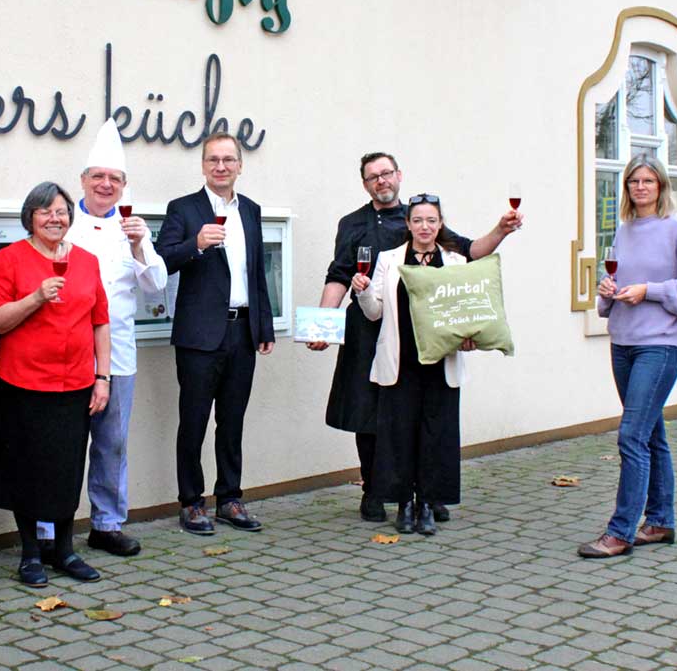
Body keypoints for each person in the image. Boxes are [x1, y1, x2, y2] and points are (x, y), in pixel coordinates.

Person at [37, 120, 168, 559]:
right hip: (66, 354)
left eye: (114, 179)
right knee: (62, 441)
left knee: (111, 441)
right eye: (98, 177)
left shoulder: (134, 229)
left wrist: (140, 247)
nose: (105, 185)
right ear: (83, 182)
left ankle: (107, 523)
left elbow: (157, 287)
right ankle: (50, 526)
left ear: (124, 185)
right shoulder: (63, 226)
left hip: (120, 354)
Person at [353, 193, 520, 536]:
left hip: (441, 363)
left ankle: (427, 503)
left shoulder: (455, 262)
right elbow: (375, 312)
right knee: (399, 435)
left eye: (431, 220)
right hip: (401, 362)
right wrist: (363, 290)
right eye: (417, 220)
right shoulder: (389, 259)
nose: (424, 227)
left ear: (440, 223)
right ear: (408, 224)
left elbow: (465, 311)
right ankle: (404, 504)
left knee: (435, 435)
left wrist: (469, 338)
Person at [307, 152, 454, 522]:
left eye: (386, 173)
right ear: (365, 184)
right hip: (365, 329)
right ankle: (373, 491)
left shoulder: (419, 220)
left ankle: (427, 494)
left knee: (420, 413)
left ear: (399, 176)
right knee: (367, 413)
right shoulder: (351, 223)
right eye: (373, 177)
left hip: (415, 331)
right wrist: (324, 324)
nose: (381, 181)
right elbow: (339, 274)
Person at [578, 156, 677, 558]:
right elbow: (617, 285)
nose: (640, 187)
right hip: (623, 342)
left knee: (631, 435)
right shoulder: (624, 230)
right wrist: (607, 291)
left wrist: (648, 290)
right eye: (633, 180)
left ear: (661, 186)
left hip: (660, 345)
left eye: (648, 180)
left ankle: (619, 532)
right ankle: (661, 522)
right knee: (652, 433)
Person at [0, 182, 111, 586]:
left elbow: (101, 321)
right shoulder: (10, 259)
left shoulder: (88, 262)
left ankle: (65, 551)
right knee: (27, 468)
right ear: (30, 218)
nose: (54, 219)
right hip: (22, 382)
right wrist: (36, 297)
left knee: (67, 468)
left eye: (61, 212)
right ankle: (30, 554)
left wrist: (102, 377)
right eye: (45, 212)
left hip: (74, 383)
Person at [155, 133, 275, 535]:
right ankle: (191, 503)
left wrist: (264, 325)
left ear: (240, 165)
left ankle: (230, 499)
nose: (220, 166)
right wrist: (197, 243)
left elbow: (257, 273)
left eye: (228, 160)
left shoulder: (252, 211)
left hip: (243, 331)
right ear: (203, 166)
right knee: (193, 421)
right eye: (213, 160)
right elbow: (162, 261)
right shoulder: (184, 209)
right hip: (199, 335)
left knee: (233, 420)